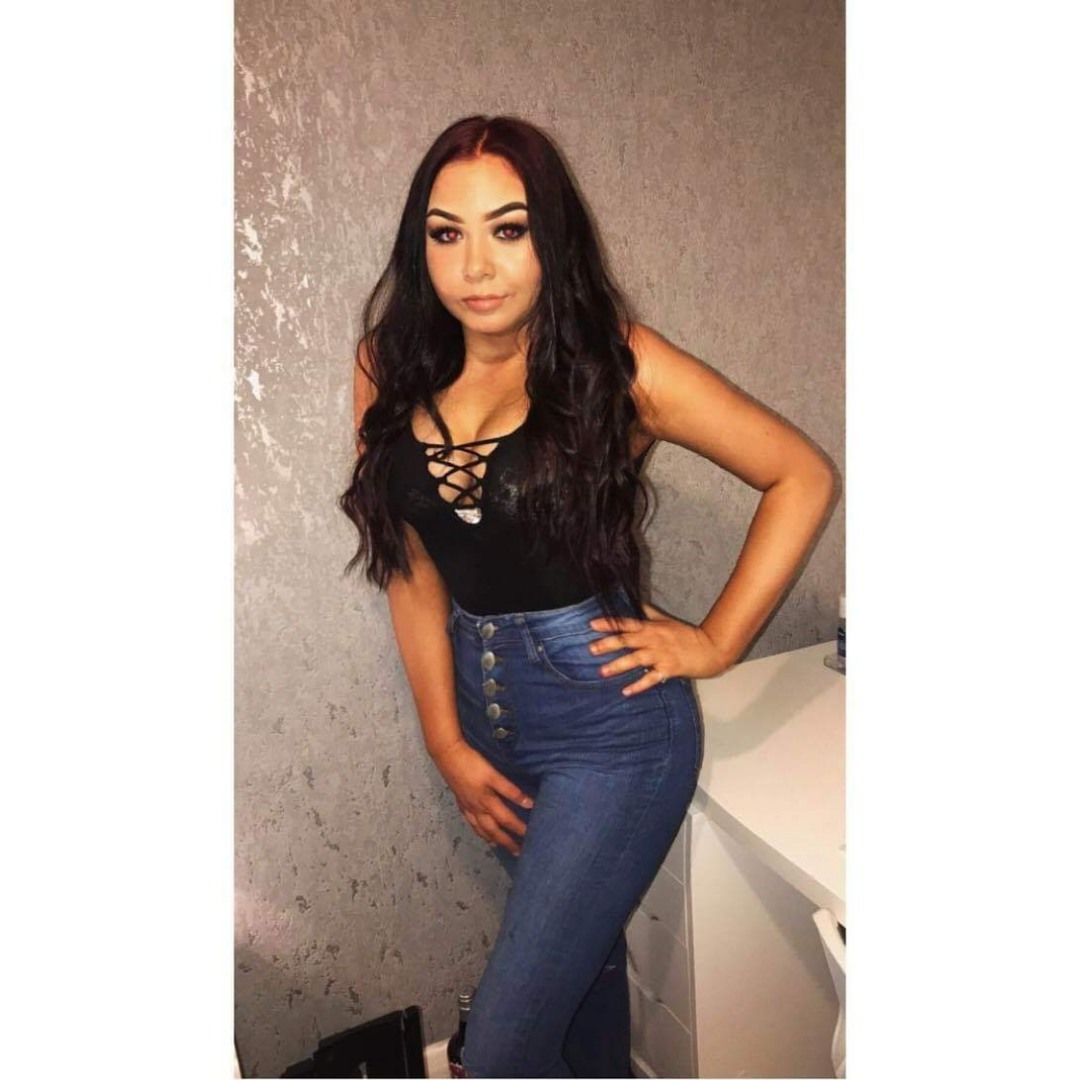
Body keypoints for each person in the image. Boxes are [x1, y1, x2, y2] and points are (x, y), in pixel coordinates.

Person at [339, 114, 835, 1078]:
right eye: (446, 233)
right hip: (484, 716)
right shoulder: (385, 369)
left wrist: (717, 641)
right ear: (419, 244)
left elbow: (799, 475)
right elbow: (414, 570)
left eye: (508, 229)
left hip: (612, 730)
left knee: (501, 1050)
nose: (475, 266)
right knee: (585, 977)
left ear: (552, 237)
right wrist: (445, 741)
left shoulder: (617, 364)